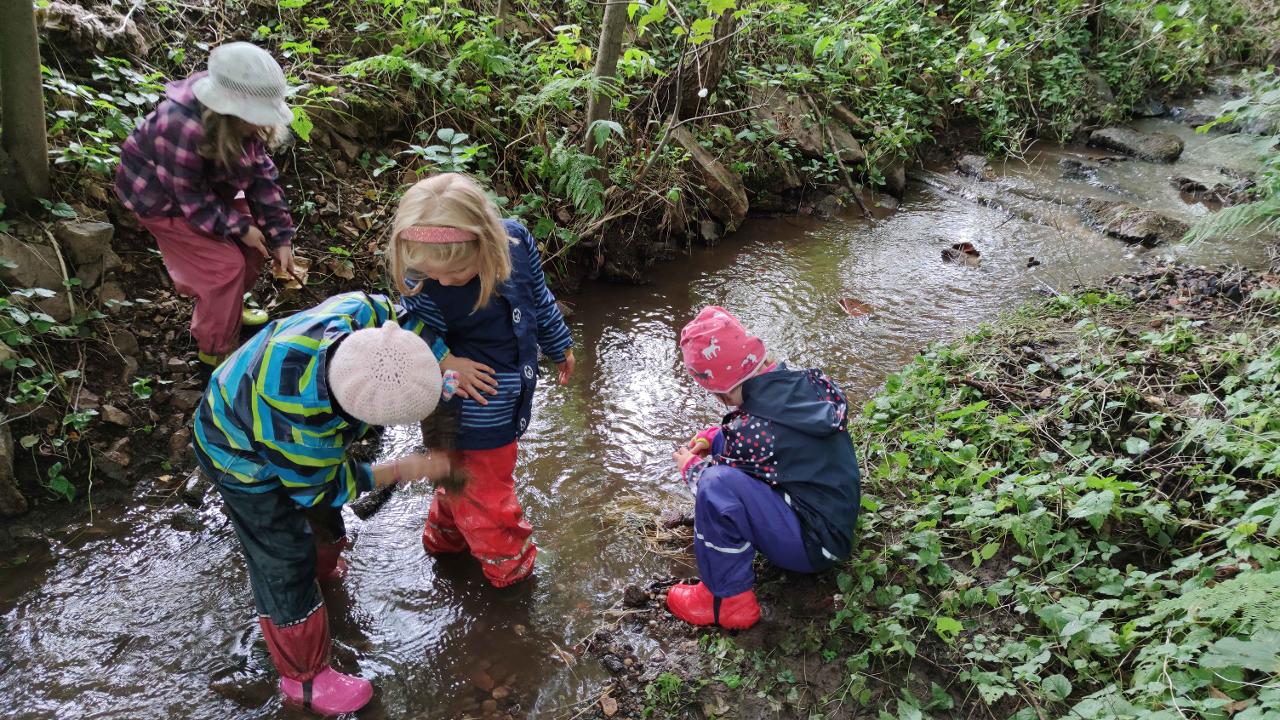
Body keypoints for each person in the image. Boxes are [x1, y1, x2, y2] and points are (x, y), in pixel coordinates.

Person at [193, 291, 452, 715]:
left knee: (323, 525)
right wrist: (401, 468)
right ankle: (305, 679)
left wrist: (443, 358)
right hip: (236, 454)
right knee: (284, 557)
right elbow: (325, 489)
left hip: (255, 399)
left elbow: (394, 310)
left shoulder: (357, 314)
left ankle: (324, 568)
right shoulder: (303, 426)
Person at [388, 173, 575, 588]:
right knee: (487, 495)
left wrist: (559, 344)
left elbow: (538, 299)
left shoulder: (516, 243)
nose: (443, 281)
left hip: (506, 397)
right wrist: (446, 358)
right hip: (460, 407)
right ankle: (512, 573)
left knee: (461, 478)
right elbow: (407, 325)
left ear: (486, 242)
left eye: (455, 272)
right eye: (432, 274)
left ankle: (445, 542)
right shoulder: (422, 280)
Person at [669, 306, 862, 629]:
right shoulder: (805, 385)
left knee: (715, 485)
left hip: (815, 547)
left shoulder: (751, 430)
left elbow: (721, 482)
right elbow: (764, 440)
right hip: (834, 521)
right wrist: (713, 437)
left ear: (720, 391)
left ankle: (725, 601)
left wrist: (690, 467)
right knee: (726, 468)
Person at [115, 41, 300, 373]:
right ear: (228, 110)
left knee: (254, 250)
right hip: (165, 201)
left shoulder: (244, 127)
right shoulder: (180, 126)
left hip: (212, 188)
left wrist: (281, 238)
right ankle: (215, 351)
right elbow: (191, 199)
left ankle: (227, 310)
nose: (261, 124)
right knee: (223, 269)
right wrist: (240, 227)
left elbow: (263, 178)